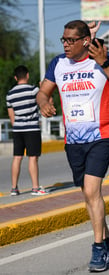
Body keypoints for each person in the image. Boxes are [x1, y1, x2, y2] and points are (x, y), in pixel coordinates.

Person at [36, 19, 109, 272]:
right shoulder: (58, 63)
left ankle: (99, 248)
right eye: (63, 40)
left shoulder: (104, 57)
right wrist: (43, 102)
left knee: (92, 191)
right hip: (73, 139)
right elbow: (42, 91)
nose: (66, 44)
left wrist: (104, 63)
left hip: (102, 135)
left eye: (70, 40)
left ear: (85, 41)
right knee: (89, 196)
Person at [6, 65, 48, 196]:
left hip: (18, 129)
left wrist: (17, 126)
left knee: (17, 157)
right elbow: (44, 100)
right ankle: (35, 188)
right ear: (27, 75)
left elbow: (11, 115)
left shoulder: (10, 94)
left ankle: (14, 188)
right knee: (32, 158)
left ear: (15, 77)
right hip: (32, 128)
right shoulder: (33, 90)